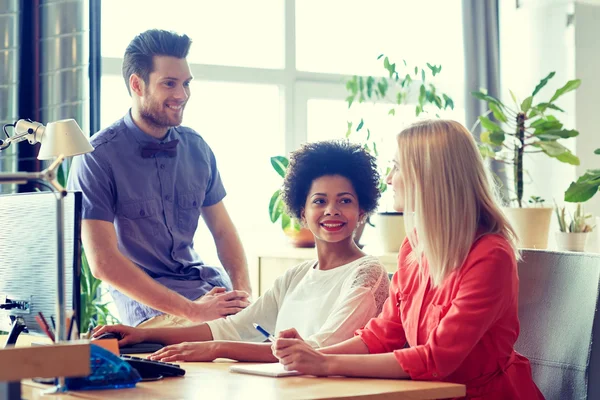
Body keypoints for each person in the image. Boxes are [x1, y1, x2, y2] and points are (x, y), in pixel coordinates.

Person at [272, 120, 545, 399]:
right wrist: (309, 354)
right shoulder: (413, 249)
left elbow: (436, 358)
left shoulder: (490, 256)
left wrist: (324, 363)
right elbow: (381, 336)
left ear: (429, 176)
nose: (389, 178)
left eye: (397, 167)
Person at [92, 140, 390, 363]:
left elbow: (316, 348)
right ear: (302, 210)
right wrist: (146, 334)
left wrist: (218, 349)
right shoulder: (295, 276)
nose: (332, 211)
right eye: (320, 201)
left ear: (362, 209)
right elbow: (234, 328)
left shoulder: (368, 273)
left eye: (345, 201)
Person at [68, 29, 251, 329]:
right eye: (169, 84)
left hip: (208, 291)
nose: (182, 95)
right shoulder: (96, 157)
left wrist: (243, 295)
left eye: (186, 84)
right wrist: (193, 311)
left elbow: (223, 231)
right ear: (137, 85)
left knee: (289, 336)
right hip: (152, 311)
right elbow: (103, 263)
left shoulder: (198, 148)